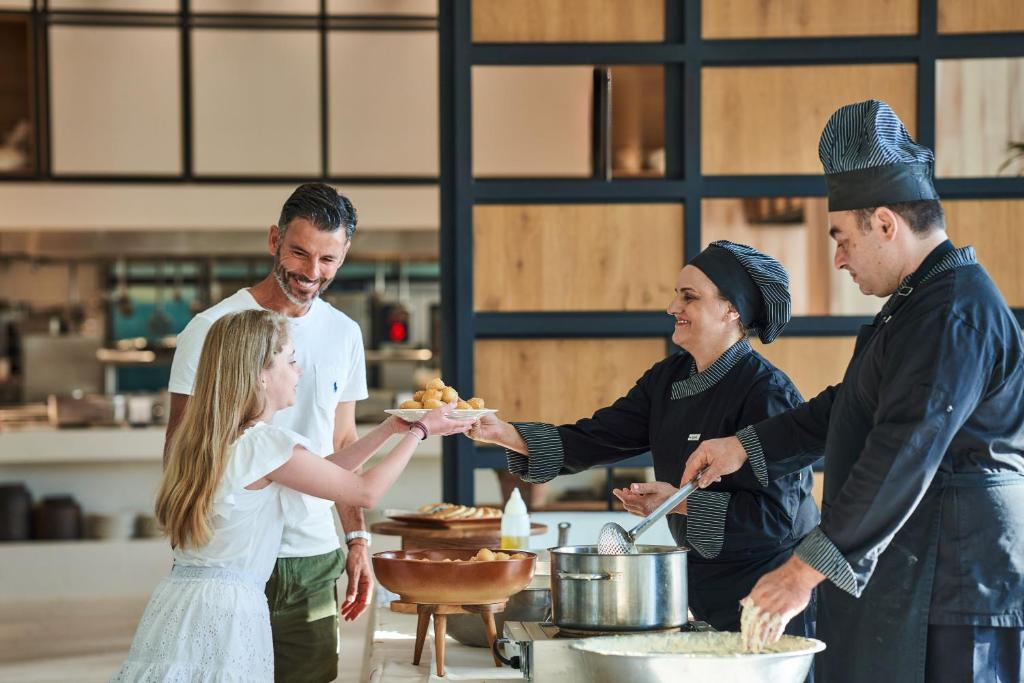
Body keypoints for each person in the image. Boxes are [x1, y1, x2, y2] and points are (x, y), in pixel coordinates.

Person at [681, 100, 1024, 683]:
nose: (838, 258)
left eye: (842, 238)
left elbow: (904, 448)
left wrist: (802, 570)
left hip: (955, 587)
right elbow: (848, 409)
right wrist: (743, 447)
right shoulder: (919, 305)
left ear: (886, 223)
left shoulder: (953, 313)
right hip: (917, 579)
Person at [469, 241, 821, 636]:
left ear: (731, 309)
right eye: (676, 295)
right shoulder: (668, 379)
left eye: (688, 297)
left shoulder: (767, 393)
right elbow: (597, 438)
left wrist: (678, 502)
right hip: (700, 590)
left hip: (769, 596)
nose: (673, 307)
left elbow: (776, 521)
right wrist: (504, 434)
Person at [112, 310, 474, 682]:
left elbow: (322, 471)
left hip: (179, 604)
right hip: (228, 613)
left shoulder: (210, 439)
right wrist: (420, 433)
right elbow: (365, 492)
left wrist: (390, 429)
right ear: (260, 374)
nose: (300, 372)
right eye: (292, 360)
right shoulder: (265, 444)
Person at [166, 183, 372, 682]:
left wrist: (359, 538)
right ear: (274, 239)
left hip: (312, 556)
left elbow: (342, 444)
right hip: (232, 559)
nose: (311, 272)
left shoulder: (345, 334)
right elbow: (179, 448)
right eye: (300, 252)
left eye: (329, 260)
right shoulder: (213, 328)